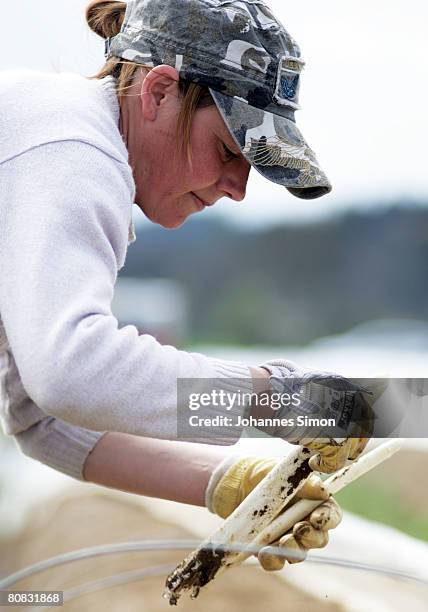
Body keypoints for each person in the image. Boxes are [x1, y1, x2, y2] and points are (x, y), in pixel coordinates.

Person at [0, 0, 379, 571]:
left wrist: (230, 483)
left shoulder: (50, 144)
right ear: (157, 92)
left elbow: (40, 417)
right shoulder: (75, 151)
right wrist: (271, 399)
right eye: (229, 150)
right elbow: (70, 372)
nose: (238, 188)